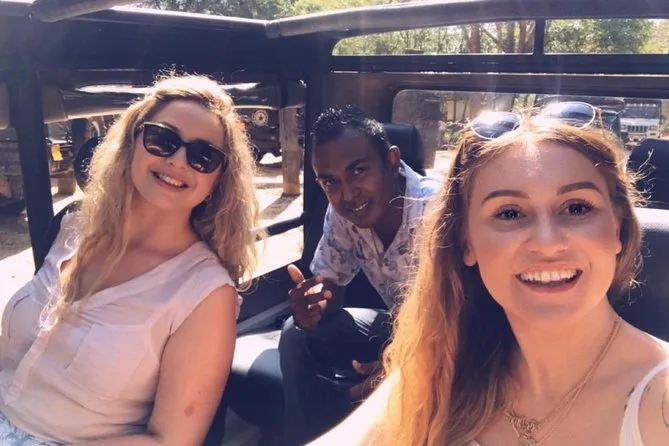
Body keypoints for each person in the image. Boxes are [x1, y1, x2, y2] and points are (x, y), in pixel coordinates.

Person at [309, 106, 669, 446]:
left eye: (577, 208)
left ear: (618, 227)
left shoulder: (659, 398)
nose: (547, 243)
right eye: (509, 213)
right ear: (468, 244)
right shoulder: (441, 366)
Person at [0, 74, 262, 445]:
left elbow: (170, 440)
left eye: (203, 156)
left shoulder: (204, 293)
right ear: (131, 142)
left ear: (218, 180)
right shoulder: (72, 226)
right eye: (162, 140)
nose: (178, 160)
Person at [279, 106, 440, 445]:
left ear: (391, 160)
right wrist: (316, 304)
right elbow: (331, 284)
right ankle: (305, 435)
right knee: (296, 333)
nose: (348, 193)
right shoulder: (343, 214)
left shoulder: (437, 211)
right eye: (330, 182)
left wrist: (401, 362)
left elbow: (468, 320)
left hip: (449, 337)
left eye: (358, 171)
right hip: (396, 326)